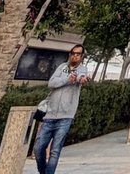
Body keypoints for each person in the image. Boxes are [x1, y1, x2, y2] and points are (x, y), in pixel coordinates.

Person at [34, 44, 92, 174]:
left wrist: (82, 79)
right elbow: (51, 83)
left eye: (78, 54)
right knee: (38, 148)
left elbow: (81, 77)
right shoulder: (62, 67)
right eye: (73, 53)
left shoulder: (82, 69)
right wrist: (66, 80)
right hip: (49, 115)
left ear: (82, 56)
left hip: (65, 117)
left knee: (55, 151)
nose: (75, 56)